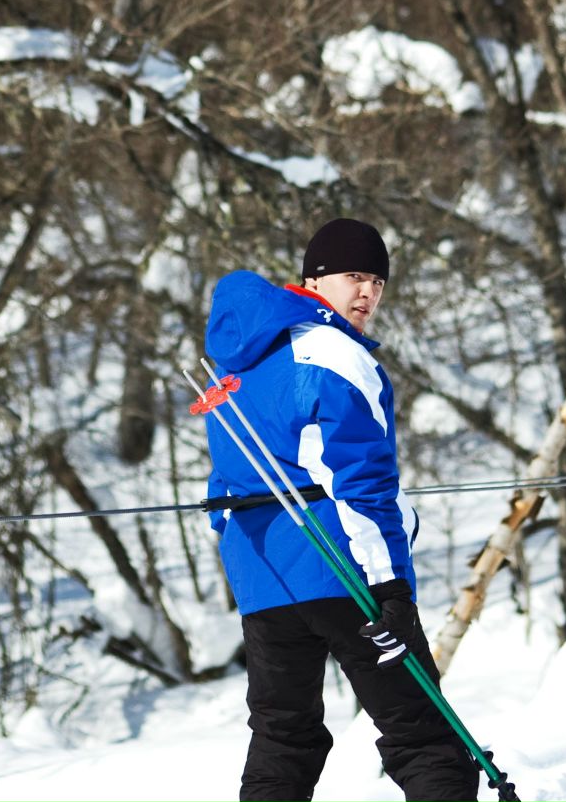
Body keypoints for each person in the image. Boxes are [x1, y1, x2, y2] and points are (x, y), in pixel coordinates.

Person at [202, 218, 479, 802]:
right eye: (354, 277)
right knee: (424, 735)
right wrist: (391, 588)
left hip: (264, 580)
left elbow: (223, 484)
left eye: (377, 282)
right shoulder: (333, 354)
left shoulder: (237, 369)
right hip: (342, 569)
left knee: (285, 736)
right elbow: (363, 482)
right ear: (314, 279)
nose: (368, 294)